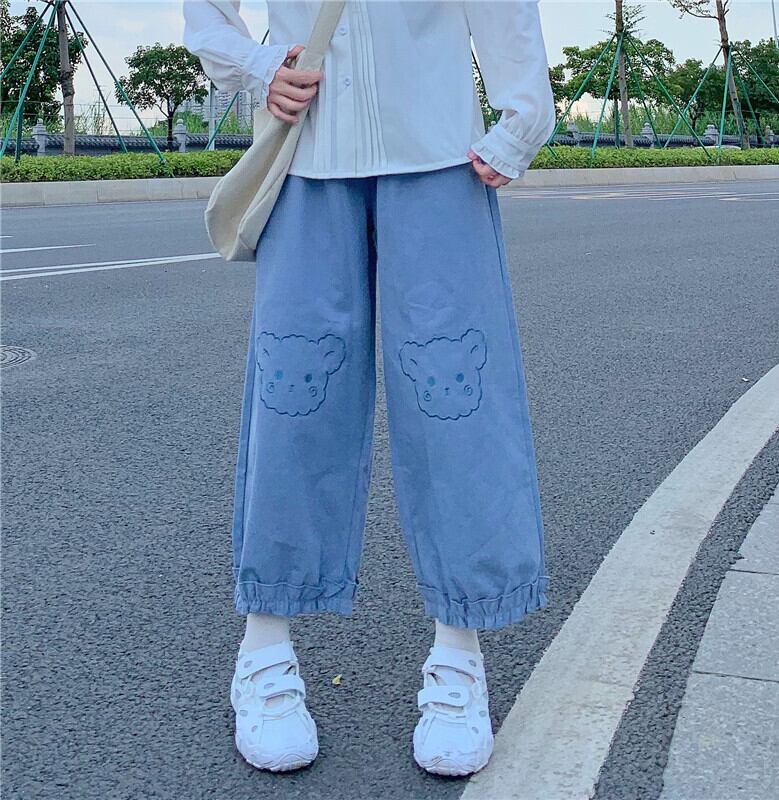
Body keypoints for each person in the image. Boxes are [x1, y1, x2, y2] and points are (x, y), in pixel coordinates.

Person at [182, 0, 554, 777]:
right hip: (307, 161)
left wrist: (522, 116)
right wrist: (262, 65)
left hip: (442, 157)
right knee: (292, 405)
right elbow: (206, 15)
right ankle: (264, 647)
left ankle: (459, 651)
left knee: (457, 409)